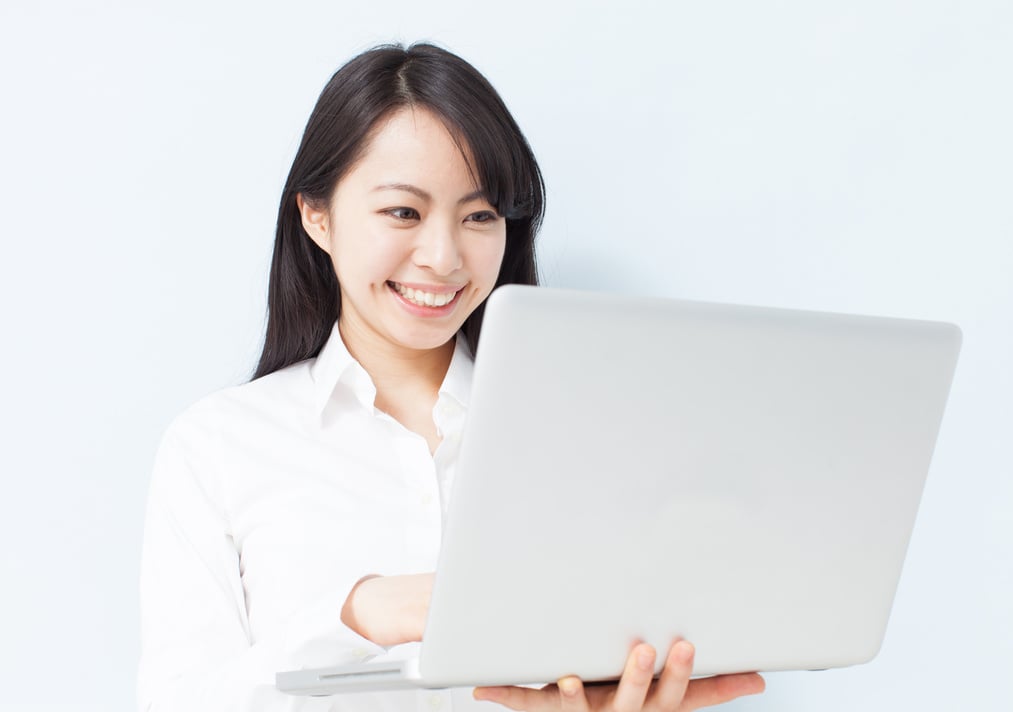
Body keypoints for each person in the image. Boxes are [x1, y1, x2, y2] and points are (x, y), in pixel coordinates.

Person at [138, 42, 766, 712]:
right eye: (403, 212)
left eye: (479, 216)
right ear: (316, 215)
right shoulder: (218, 446)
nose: (443, 258)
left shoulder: (584, 438)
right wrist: (358, 614)